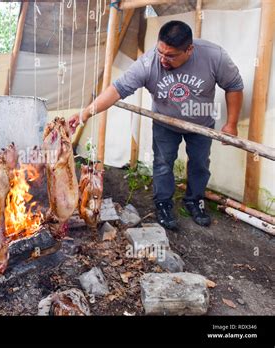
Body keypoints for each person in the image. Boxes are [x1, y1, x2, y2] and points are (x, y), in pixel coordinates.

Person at [68, 20, 243, 230]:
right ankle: (163, 204)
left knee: (200, 164)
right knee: (162, 164)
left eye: (170, 56)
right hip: (164, 122)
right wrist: (85, 113)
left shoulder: (214, 56)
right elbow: (116, 90)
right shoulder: (149, 62)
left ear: (189, 49)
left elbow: (234, 86)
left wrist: (232, 123)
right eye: (160, 51)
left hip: (201, 124)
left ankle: (195, 201)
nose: (163, 59)